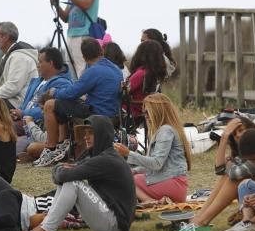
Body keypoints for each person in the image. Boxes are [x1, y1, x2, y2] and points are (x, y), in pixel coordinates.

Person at [17, 115, 135, 231]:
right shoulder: (103, 155)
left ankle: (46, 229)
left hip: (114, 224)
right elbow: (63, 175)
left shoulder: (105, 159)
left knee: (73, 182)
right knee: (71, 180)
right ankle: (46, 226)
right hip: (112, 220)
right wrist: (62, 169)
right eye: (85, 133)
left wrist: (61, 169)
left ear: (102, 135)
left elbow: (63, 176)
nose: (86, 137)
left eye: (91, 133)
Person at [35, 38, 123, 167]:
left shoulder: (93, 71)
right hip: (114, 115)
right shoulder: (116, 69)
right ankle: (62, 143)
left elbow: (72, 93)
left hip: (95, 113)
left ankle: (51, 148)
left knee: (50, 105)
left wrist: (54, 92)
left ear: (84, 56)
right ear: (101, 51)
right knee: (66, 104)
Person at [175, 116, 255, 231]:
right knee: (225, 176)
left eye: (241, 130)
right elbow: (220, 170)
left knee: (233, 179)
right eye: (234, 134)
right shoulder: (245, 154)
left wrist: (230, 163)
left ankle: (202, 221)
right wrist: (224, 137)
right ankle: (197, 219)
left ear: (251, 129)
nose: (239, 136)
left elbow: (235, 174)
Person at [112, 93, 191, 203]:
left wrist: (128, 153)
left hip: (174, 183)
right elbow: (154, 166)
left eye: (148, 111)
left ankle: (151, 202)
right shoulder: (165, 130)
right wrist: (134, 171)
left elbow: (156, 163)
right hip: (175, 183)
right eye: (144, 112)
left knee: (128, 180)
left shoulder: (165, 130)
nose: (146, 115)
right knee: (130, 176)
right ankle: (157, 201)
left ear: (158, 110)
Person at [15, 47, 74, 160]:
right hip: (27, 121)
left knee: (9, 135)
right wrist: (18, 112)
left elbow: (46, 110)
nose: (37, 65)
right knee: (3, 126)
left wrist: (23, 114)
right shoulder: (37, 81)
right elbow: (26, 103)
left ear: (50, 63)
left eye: (40, 62)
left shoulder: (62, 84)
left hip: (36, 124)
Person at [53, 0, 100, 80]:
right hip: (71, 35)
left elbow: (86, 4)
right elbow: (65, 17)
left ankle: (84, 96)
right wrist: (56, 4)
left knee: (82, 67)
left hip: (84, 34)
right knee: (71, 68)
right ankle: (76, 93)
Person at [0, 22, 38, 109]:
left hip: (19, 104)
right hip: (13, 99)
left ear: (5, 37)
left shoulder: (19, 57)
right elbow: (1, 85)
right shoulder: (11, 55)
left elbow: (12, 87)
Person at [126, 40, 168, 119]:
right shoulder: (155, 73)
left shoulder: (141, 74)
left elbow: (124, 91)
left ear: (141, 55)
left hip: (135, 112)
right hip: (149, 110)